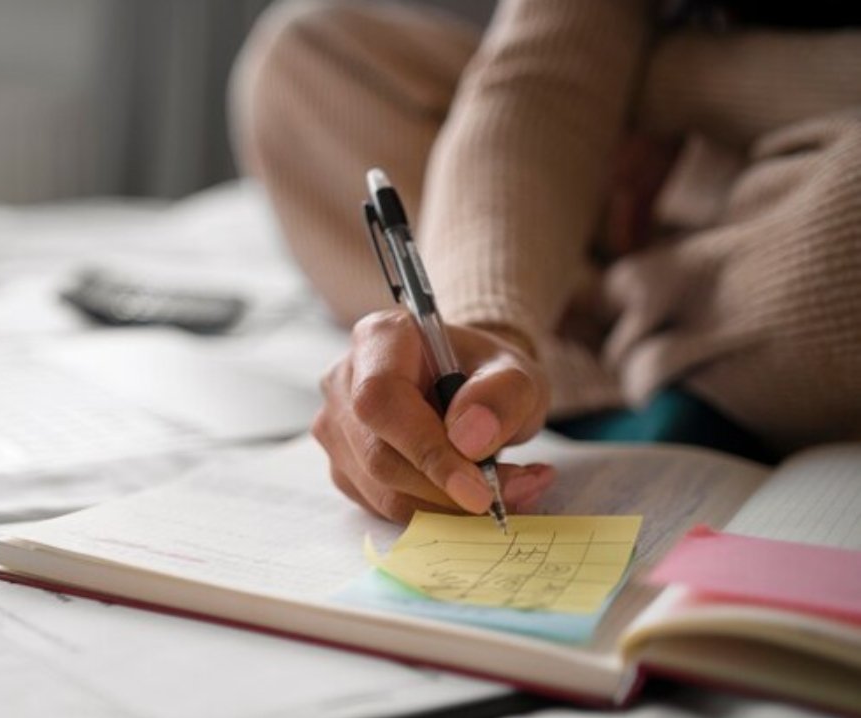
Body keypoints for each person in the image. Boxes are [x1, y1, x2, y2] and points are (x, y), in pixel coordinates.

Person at [230, 0, 861, 523]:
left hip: (811, 154)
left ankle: (590, 316)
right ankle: (644, 323)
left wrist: (667, 81)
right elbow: (539, 79)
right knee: (309, 61)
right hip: (634, 167)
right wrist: (485, 324)